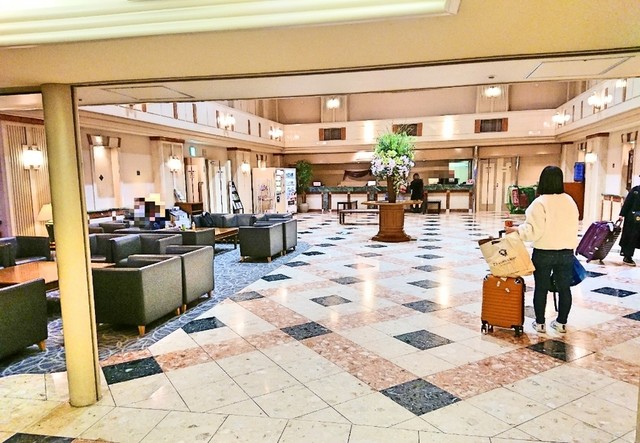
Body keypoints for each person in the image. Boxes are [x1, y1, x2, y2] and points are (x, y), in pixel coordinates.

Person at [505, 166, 579, 334]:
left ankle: (540, 324)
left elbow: (533, 232)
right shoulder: (570, 201)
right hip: (566, 252)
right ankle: (561, 323)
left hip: (544, 252)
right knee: (564, 289)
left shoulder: (539, 203)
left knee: (541, 288)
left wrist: (517, 230)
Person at [618, 184, 640, 266]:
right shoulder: (635, 190)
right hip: (632, 219)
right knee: (631, 237)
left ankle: (627, 256)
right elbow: (628, 202)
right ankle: (627, 256)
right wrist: (621, 214)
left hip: (635, 218)